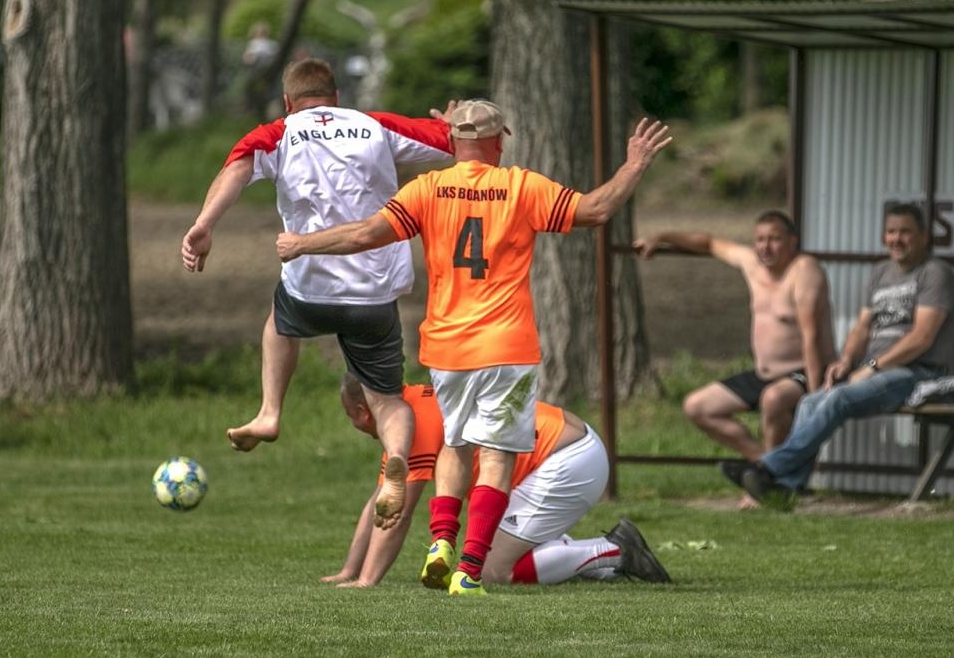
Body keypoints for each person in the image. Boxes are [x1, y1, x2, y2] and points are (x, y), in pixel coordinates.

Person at [277, 100, 672, 595]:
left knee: (456, 447)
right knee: (499, 455)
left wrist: (302, 244)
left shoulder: (426, 188)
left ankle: (441, 541)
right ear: (499, 141)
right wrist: (634, 165)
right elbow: (594, 210)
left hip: (446, 348)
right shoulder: (521, 186)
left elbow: (363, 234)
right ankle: (468, 568)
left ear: (452, 141)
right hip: (505, 346)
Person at [181, 58, 453, 525]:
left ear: (288, 102)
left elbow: (237, 169)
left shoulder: (278, 132)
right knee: (387, 400)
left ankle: (269, 412)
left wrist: (204, 225)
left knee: (279, 322)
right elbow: (451, 146)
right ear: (337, 97)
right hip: (373, 294)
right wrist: (450, 126)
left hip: (310, 288)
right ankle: (397, 454)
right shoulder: (374, 126)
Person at [324, 377, 670, 588]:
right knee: (495, 551)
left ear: (361, 411)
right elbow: (380, 501)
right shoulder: (407, 406)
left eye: (348, 416)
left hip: (568, 459)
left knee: (492, 570)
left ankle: (616, 551)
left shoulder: (409, 424)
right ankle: (593, 564)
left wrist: (367, 581)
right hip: (569, 449)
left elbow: (398, 515)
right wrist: (349, 571)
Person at [729, 202, 954, 503]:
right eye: (891, 232)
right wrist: (846, 361)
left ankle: (767, 467)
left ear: (924, 236)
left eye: (905, 232)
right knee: (810, 402)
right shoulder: (881, 272)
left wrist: (874, 366)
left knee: (837, 399)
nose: (897, 239)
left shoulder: (936, 274)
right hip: (875, 372)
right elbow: (862, 327)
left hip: (917, 373)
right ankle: (789, 486)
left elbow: (922, 337)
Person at [633, 211, 834, 501]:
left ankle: (767, 480)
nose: (766, 247)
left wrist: (817, 397)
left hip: (803, 370)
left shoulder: (804, 271)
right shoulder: (751, 263)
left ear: (792, 242)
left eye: (775, 239)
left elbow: (811, 336)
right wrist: (660, 238)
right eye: (760, 239)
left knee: (774, 399)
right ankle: (766, 467)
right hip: (763, 372)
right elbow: (709, 243)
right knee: (698, 406)